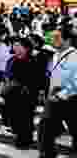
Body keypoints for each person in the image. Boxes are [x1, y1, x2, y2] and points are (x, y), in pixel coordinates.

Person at [38, 24, 77, 158]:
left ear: (67, 40)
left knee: (74, 127)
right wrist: (46, 91)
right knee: (44, 128)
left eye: (57, 38)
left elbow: (75, 82)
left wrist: (62, 95)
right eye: (53, 37)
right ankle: (47, 154)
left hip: (71, 99)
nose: (53, 40)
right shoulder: (55, 55)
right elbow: (52, 75)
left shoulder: (75, 56)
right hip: (54, 98)